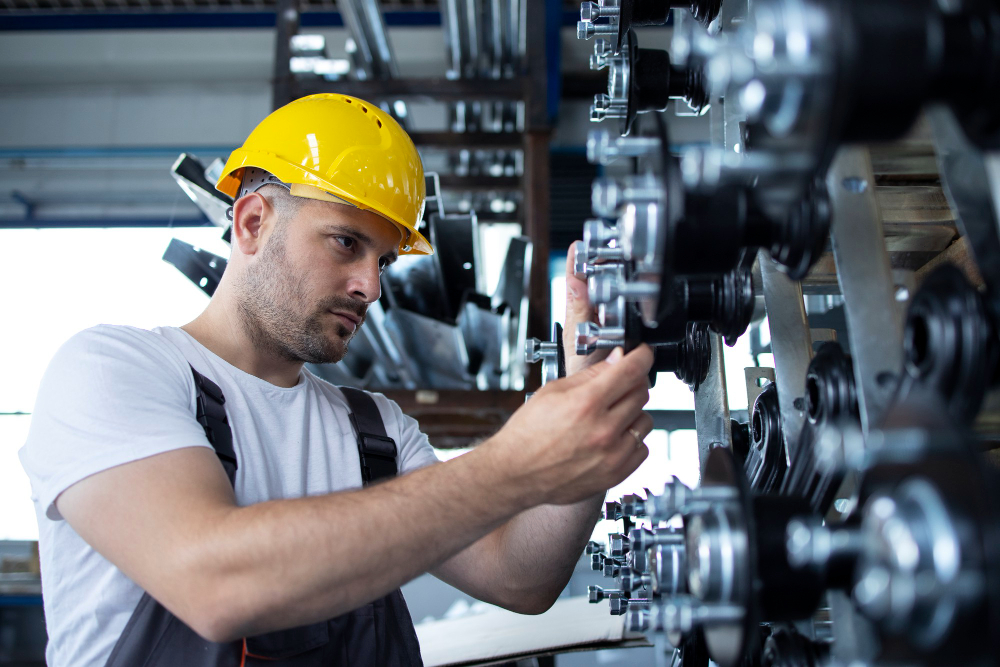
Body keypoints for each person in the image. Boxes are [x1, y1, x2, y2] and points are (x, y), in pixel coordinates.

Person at [19, 93, 654, 667]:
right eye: (345, 243)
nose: (371, 287)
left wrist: (586, 404)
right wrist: (512, 465)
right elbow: (214, 584)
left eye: (382, 259)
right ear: (252, 224)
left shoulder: (373, 432)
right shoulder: (114, 370)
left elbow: (522, 579)